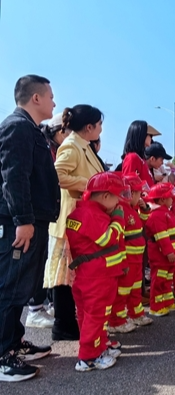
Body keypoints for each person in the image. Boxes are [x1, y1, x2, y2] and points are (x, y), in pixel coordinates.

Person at [0, 75, 60, 382]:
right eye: (50, 96)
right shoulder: (17, 127)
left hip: (33, 221)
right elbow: (14, 178)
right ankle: (3, 354)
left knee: (24, 285)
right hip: (19, 223)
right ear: (35, 98)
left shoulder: (31, 130)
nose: (54, 102)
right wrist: (22, 220)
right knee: (10, 287)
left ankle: (13, 341)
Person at [47, 105, 105, 343]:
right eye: (99, 124)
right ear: (89, 127)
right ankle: (63, 325)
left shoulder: (83, 145)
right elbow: (57, 175)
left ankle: (72, 323)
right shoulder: (72, 146)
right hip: (70, 219)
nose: (101, 129)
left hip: (82, 219)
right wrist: (87, 184)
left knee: (76, 273)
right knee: (65, 275)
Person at [66, 172, 128, 372]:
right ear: (105, 196)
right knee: (96, 316)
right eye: (117, 196)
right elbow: (107, 239)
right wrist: (118, 220)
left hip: (89, 275)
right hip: (98, 277)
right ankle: (89, 357)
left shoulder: (81, 213)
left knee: (89, 316)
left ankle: (98, 347)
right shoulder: (92, 214)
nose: (119, 202)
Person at [26, 113, 70, 330]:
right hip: (41, 214)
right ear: (60, 132)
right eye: (68, 132)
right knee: (43, 262)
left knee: (50, 261)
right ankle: (35, 309)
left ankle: (48, 304)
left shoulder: (55, 148)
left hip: (50, 213)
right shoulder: (47, 148)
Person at [107, 174, 153, 334]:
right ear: (131, 194)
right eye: (139, 193)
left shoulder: (132, 209)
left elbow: (143, 223)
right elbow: (118, 238)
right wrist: (123, 262)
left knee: (134, 290)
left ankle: (136, 314)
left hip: (137, 260)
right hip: (127, 260)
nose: (141, 197)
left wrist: (145, 208)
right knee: (122, 291)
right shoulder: (120, 210)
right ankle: (117, 321)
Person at [145, 183, 175, 317]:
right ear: (162, 199)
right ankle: (156, 306)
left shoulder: (165, 212)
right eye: (170, 197)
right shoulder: (157, 215)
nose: (172, 199)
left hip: (169, 256)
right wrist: (169, 252)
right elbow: (161, 236)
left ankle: (167, 302)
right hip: (161, 256)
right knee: (159, 281)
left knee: (166, 280)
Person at [119, 120, 161, 186]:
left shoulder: (140, 159)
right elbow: (128, 186)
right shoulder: (132, 158)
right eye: (150, 135)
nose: (151, 139)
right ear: (142, 135)